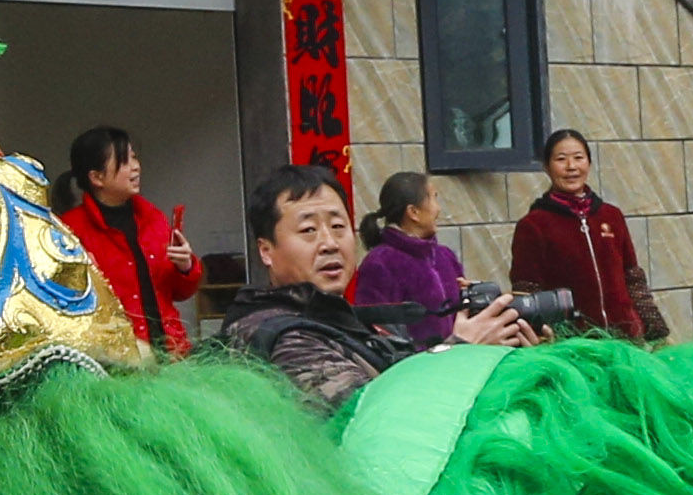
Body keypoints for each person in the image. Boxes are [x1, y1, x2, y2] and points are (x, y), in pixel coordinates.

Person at [223, 160, 529, 413]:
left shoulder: (337, 319)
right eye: (308, 230)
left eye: (338, 226)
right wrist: (460, 350)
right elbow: (368, 421)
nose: (329, 243)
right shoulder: (279, 337)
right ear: (266, 250)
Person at [508, 127, 669, 342]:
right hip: (571, 344)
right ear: (547, 167)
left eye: (578, 158)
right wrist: (541, 336)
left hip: (625, 340)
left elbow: (633, 278)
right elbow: (526, 293)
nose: (571, 166)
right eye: (561, 159)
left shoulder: (612, 216)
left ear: (589, 163)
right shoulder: (533, 225)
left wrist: (656, 332)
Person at [60, 123, 199, 353]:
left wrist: (186, 267)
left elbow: (178, 293)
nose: (136, 168)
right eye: (125, 162)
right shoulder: (71, 230)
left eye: (135, 158)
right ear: (97, 177)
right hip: (118, 358)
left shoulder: (153, 218)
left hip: (171, 351)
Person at [347, 169, 467, 323]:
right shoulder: (380, 264)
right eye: (434, 198)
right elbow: (375, 330)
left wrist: (469, 295)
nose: (439, 208)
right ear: (413, 212)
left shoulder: (445, 255)